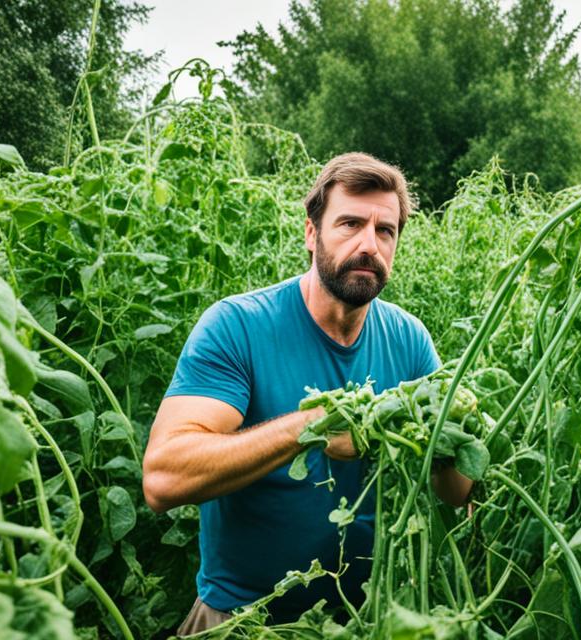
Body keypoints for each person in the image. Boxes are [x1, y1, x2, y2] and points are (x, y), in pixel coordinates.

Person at [141, 152, 473, 636]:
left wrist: (460, 428)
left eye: (386, 231)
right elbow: (163, 479)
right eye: (350, 224)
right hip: (243, 620)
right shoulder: (238, 326)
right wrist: (308, 427)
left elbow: (454, 492)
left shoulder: (410, 340)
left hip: (364, 621)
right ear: (312, 234)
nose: (369, 245)